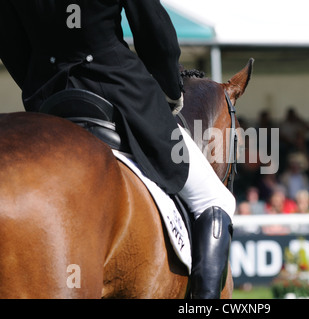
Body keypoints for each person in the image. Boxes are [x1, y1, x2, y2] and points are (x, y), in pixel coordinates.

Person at [0, 0, 235, 299]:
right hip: (121, 93)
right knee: (214, 198)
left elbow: (10, 42)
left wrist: (41, 88)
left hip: (49, 102)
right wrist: (171, 90)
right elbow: (154, 32)